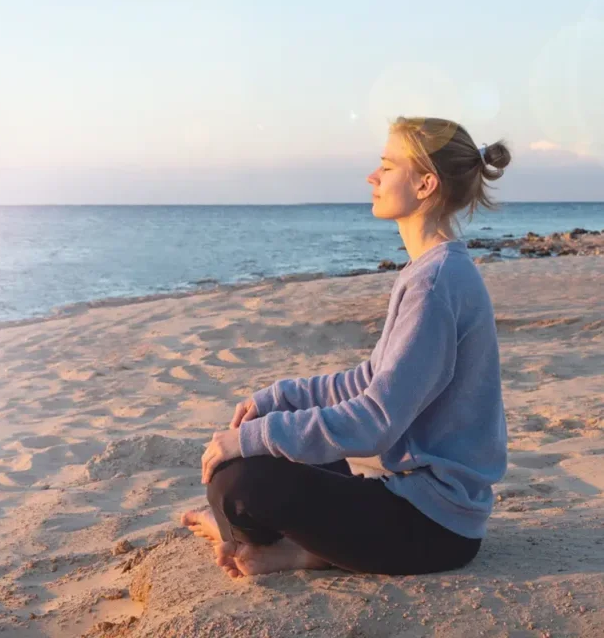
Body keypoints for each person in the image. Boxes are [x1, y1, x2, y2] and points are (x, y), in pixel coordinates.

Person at [182, 115, 511, 579]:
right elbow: (369, 379)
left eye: (388, 167)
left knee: (238, 482)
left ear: (425, 184)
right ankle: (302, 552)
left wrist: (252, 438)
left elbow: (375, 420)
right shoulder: (430, 271)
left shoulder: (435, 285)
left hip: (435, 527)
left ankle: (278, 546)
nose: (372, 177)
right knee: (252, 455)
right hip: (413, 501)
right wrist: (277, 399)